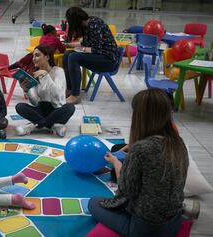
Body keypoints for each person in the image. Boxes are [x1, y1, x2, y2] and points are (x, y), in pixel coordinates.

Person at [88, 89, 190, 237]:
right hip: (175, 220)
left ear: (140, 116)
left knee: (93, 203)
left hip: (146, 229)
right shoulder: (178, 142)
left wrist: (116, 162)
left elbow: (124, 193)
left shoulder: (141, 149)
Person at [15, 45, 75, 137]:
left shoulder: (58, 71)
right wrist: (27, 90)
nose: (34, 59)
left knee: (70, 108)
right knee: (20, 106)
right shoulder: (34, 74)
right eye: (33, 56)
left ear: (47, 57)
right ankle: (53, 125)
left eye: (37, 55)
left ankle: (34, 125)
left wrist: (46, 76)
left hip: (56, 108)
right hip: (41, 109)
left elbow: (58, 95)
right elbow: (35, 102)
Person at [63, 7, 118, 104]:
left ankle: (75, 95)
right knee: (67, 54)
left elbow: (96, 49)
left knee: (73, 57)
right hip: (101, 56)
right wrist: (68, 45)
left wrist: (82, 49)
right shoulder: (87, 25)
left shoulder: (94, 24)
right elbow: (86, 43)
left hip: (108, 60)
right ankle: (70, 89)